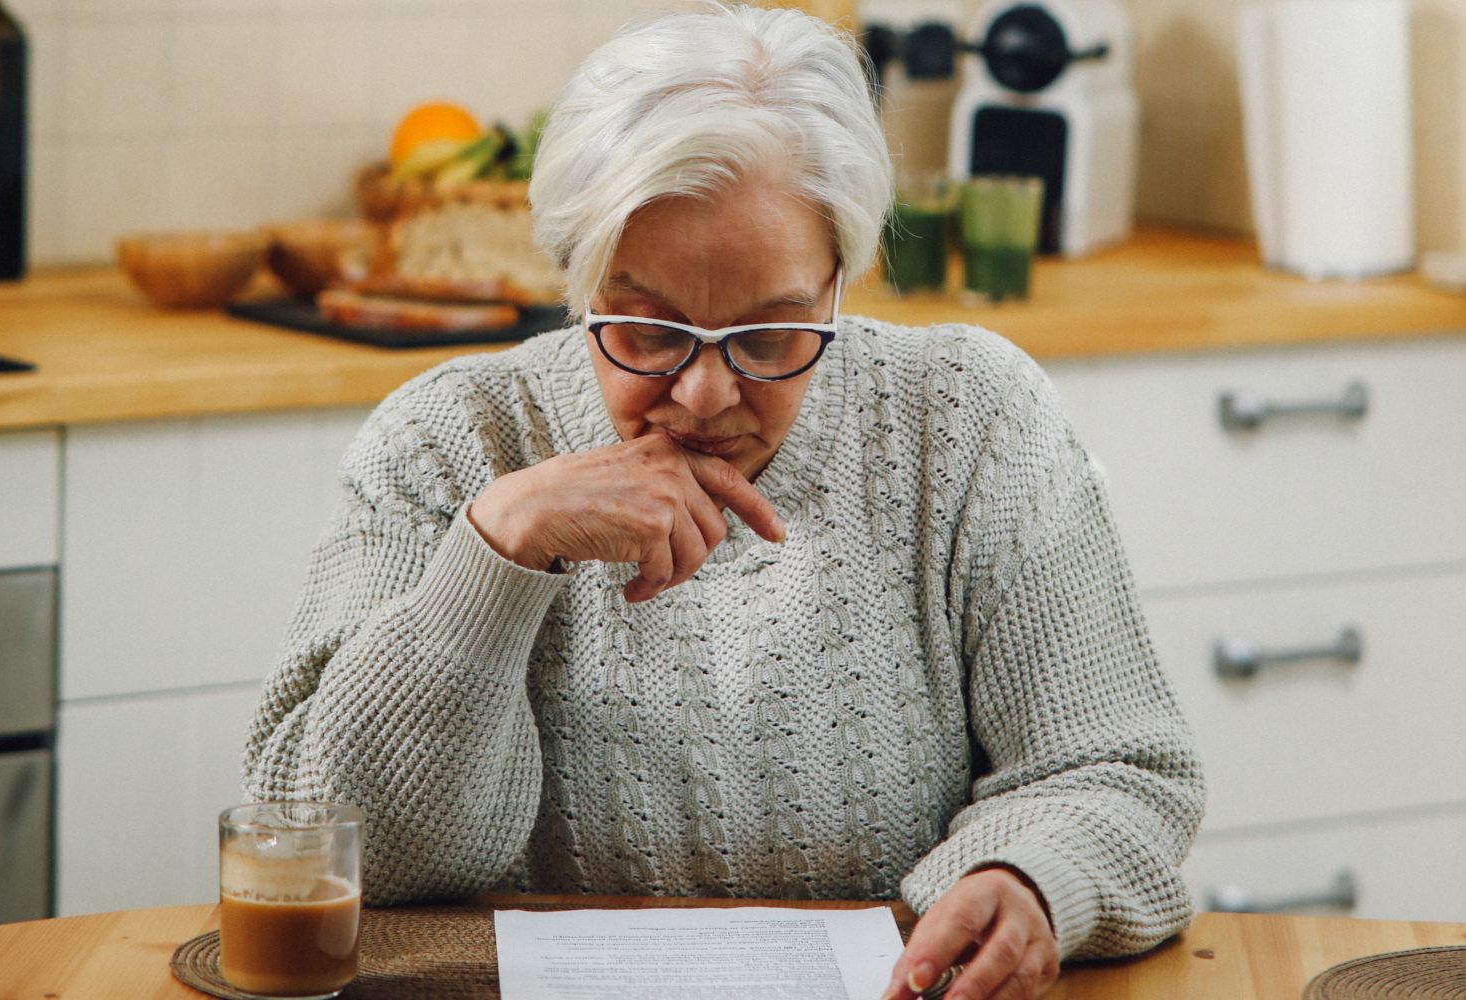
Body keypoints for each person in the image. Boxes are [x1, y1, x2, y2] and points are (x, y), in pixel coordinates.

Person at [243, 5, 1204, 999]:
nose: (704, 395)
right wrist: (500, 547)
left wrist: (1029, 878)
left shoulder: (970, 419)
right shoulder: (445, 443)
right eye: (647, 331)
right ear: (577, 283)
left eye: (772, 334)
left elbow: (1119, 772)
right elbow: (320, 844)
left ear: (841, 283)